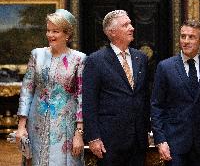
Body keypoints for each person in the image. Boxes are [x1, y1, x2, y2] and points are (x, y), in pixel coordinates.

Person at [16, 9, 86, 166]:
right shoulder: (37, 55)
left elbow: (82, 96)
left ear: (67, 34)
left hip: (65, 126)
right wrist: (21, 127)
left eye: (55, 31)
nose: (50, 35)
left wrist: (79, 133)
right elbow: (27, 90)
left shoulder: (79, 59)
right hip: (36, 123)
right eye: (48, 30)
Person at [82, 10, 149, 166]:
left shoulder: (141, 58)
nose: (131, 28)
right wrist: (93, 137)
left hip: (138, 139)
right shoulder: (96, 61)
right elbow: (89, 102)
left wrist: (147, 129)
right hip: (109, 140)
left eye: (130, 23)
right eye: (126, 25)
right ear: (111, 32)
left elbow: (145, 96)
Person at [151, 19, 200, 166]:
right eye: (183, 36)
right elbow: (157, 106)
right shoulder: (165, 67)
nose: (186, 41)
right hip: (174, 143)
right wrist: (160, 140)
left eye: (191, 37)